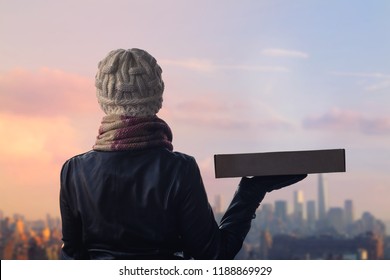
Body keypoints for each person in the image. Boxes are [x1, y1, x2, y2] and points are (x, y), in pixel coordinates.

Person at [59, 48, 306, 260]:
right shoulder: (179, 169)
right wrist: (252, 191)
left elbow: (72, 256)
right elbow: (214, 255)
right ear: (157, 95)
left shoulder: (73, 170)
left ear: (103, 97)